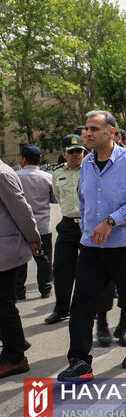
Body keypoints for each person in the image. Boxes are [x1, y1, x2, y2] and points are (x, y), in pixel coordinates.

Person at [58, 110, 126, 382]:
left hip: (123, 243)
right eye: (87, 128)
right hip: (91, 246)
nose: (88, 133)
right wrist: (88, 230)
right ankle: (79, 361)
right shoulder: (86, 164)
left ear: (111, 132)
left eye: (94, 129)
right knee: (82, 301)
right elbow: (84, 201)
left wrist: (111, 221)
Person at [0, 157, 42, 378]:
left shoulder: (2, 174)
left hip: (4, 251)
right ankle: (14, 341)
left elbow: (22, 211)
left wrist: (33, 238)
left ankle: (16, 356)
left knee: (4, 305)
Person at [45, 135, 86, 325]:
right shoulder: (57, 173)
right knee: (61, 267)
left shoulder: (91, 170)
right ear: (64, 154)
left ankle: (91, 307)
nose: (75, 155)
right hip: (68, 224)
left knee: (90, 268)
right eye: (71, 152)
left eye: (79, 151)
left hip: (88, 225)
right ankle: (61, 309)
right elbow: (58, 196)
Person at [15, 144, 56, 299]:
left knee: (20, 259)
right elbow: (54, 199)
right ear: (39, 160)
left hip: (20, 228)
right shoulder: (47, 177)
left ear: (24, 159)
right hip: (42, 227)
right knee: (43, 259)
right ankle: (45, 289)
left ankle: (19, 291)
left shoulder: (15, 176)